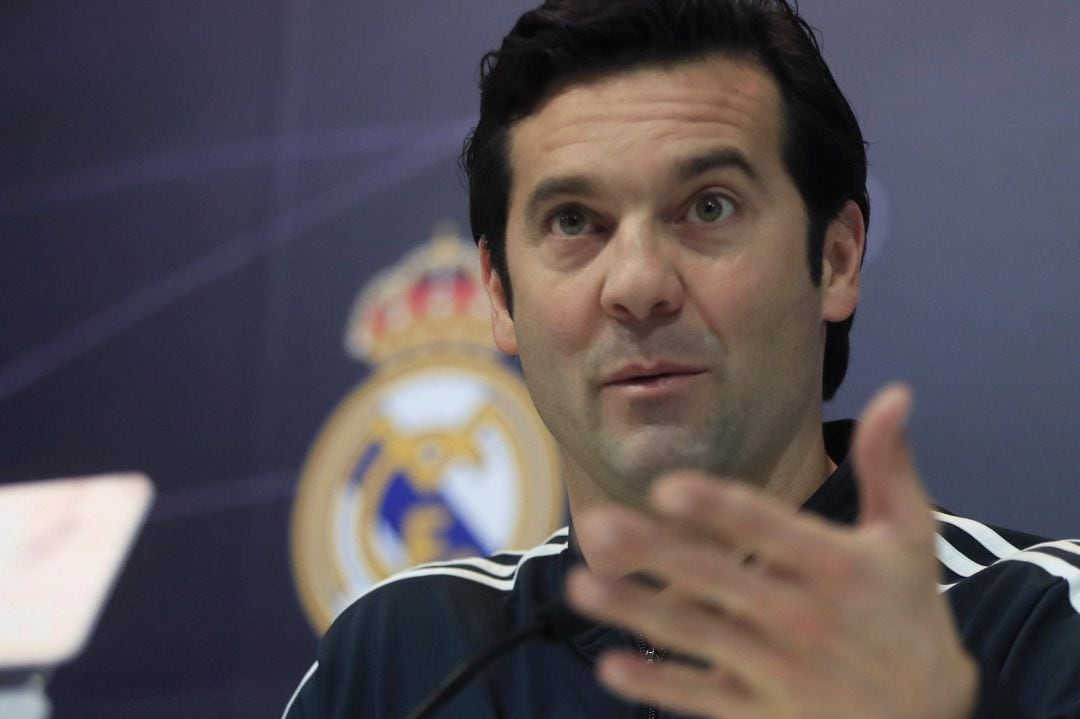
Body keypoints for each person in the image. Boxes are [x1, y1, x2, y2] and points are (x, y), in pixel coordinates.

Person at [283, 1, 1080, 717]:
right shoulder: (397, 661)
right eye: (572, 221)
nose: (637, 284)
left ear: (835, 258)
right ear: (498, 292)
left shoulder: (1036, 623)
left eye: (709, 207)